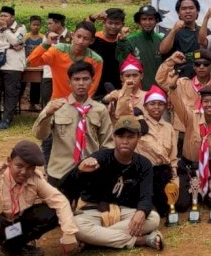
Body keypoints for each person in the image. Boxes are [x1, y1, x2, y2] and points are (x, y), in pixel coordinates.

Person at [69, 115, 163, 251]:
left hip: (124, 212)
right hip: (95, 211)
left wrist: (142, 211)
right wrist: (80, 170)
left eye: (130, 137)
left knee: (153, 218)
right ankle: (140, 240)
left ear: (139, 138)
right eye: (120, 136)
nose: (124, 141)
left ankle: (93, 241)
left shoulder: (144, 164)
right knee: (76, 226)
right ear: (114, 137)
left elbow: (146, 196)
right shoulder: (99, 158)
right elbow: (69, 184)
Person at [0, 140, 79, 256]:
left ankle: (13, 246)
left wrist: (69, 234)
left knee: (51, 212)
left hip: (13, 226)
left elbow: (60, 201)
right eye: (19, 166)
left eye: (30, 168)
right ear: (9, 161)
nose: (24, 172)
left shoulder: (34, 179)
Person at [32, 61, 113, 197]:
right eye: (76, 79)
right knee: (57, 213)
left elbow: (108, 144)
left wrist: (101, 166)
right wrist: (47, 114)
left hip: (89, 172)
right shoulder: (56, 106)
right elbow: (39, 135)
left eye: (85, 79)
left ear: (92, 82)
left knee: (85, 212)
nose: (81, 83)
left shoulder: (100, 110)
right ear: (69, 83)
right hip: (60, 172)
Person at [167, 82, 211, 210]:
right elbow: (179, 105)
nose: (209, 105)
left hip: (209, 170)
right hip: (188, 168)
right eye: (206, 101)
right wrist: (173, 88)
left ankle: (202, 192)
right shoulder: (191, 117)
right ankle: (194, 192)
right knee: (181, 204)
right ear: (201, 103)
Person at [157, 49, 211, 155]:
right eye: (197, 64)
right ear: (193, 67)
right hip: (183, 134)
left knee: (207, 169)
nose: (201, 67)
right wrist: (171, 61)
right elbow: (161, 79)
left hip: (210, 134)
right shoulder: (181, 84)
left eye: (206, 64)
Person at [130, 86, 177, 218]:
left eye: (160, 104)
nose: (156, 107)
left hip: (163, 172)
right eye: (152, 104)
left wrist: (174, 177)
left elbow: (173, 156)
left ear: (165, 106)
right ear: (145, 106)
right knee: (144, 207)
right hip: (144, 172)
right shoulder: (138, 124)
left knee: (175, 204)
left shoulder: (169, 127)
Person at [27, 21, 102, 101]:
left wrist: (82, 106)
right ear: (73, 35)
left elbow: (92, 87)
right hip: (58, 103)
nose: (81, 41)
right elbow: (31, 62)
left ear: (92, 41)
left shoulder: (96, 60)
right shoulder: (57, 50)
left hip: (81, 105)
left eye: (86, 38)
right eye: (78, 36)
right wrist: (46, 44)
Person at [0, 6, 26, 130]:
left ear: (12, 17)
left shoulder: (21, 28)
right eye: (1, 16)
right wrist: (9, 45)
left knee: (11, 94)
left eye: (6, 16)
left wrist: (6, 30)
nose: (3, 18)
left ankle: (6, 120)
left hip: (13, 66)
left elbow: (16, 41)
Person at [116, 5, 165, 90]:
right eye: (144, 19)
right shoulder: (131, 40)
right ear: (139, 21)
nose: (147, 22)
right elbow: (121, 59)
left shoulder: (161, 40)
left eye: (150, 19)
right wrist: (122, 42)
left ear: (156, 21)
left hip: (158, 92)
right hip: (137, 91)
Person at [159, 0, 211, 76]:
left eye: (191, 8)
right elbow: (163, 50)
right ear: (178, 13)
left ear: (197, 11)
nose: (188, 11)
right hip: (178, 79)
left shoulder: (205, 31)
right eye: (183, 9)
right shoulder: (173, 31)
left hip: (201, 79)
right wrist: (173, 30)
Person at [87, 8, 125, 99]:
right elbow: (84, 31)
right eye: (110, 23)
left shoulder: (122, 42)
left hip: (117, 90)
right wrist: (92, 18)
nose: (113, 26)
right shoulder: (94, 39)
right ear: (104, 23)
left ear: (122, 25)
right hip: (95, 89)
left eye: (117, 23)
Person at [39, 13, 72, 108]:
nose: (48, 26)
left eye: (50, 23)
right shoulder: (47, 36)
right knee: (46, 97)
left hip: (64, 74)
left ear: (58, 24)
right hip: (48, 73)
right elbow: (43, 52)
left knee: (64, 99)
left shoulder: (71, 37)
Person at [103, 54, 147, 124]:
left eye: (135, 75)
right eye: (128, 76)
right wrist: (105, 100)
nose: (131, 79)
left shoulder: (147, 96)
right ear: (121, 77)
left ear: (141, 76)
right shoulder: (114, 95)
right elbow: (103, 117)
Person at [21, 15, 44, 111]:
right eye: (34, 24)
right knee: (22, 83)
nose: (36, 27)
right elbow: (21, 49)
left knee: (36, 85)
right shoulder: (26, 37)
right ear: (30, 25)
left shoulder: (42, 37)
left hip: (37, 65)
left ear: (41, 25)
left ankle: (33, 104)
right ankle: (15, 103)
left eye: (38, 25)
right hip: (26, 64)